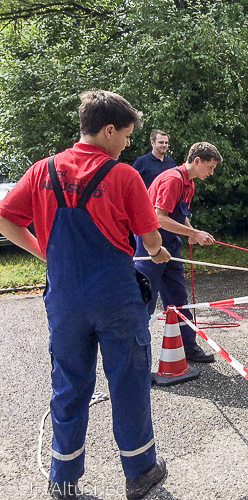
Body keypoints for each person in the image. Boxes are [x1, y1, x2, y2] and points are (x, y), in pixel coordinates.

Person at [0, 90, 170, 499]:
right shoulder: (124, 175)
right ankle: (140, 471)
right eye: (127, 136)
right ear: (108, 130)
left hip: (64, 301)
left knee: (70, 385)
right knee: (127, 382)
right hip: (115, 299)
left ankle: (63, 478)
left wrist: (45, 252)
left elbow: (5, 218)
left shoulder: (42, 170)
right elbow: (149, 239)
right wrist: (158, 252)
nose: (128, 144)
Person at [134, 142, 221, 363]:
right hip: (151, 244)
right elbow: (159, 218)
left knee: (178, 298)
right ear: (197, 161)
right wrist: (195, 232)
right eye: (210, 167)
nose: (211, 173)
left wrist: (190, 232)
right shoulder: (173, 180)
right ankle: (136, 356)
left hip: (171, 244)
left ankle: (187, 347)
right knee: (146, 300)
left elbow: (179, 214)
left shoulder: (189, 182)